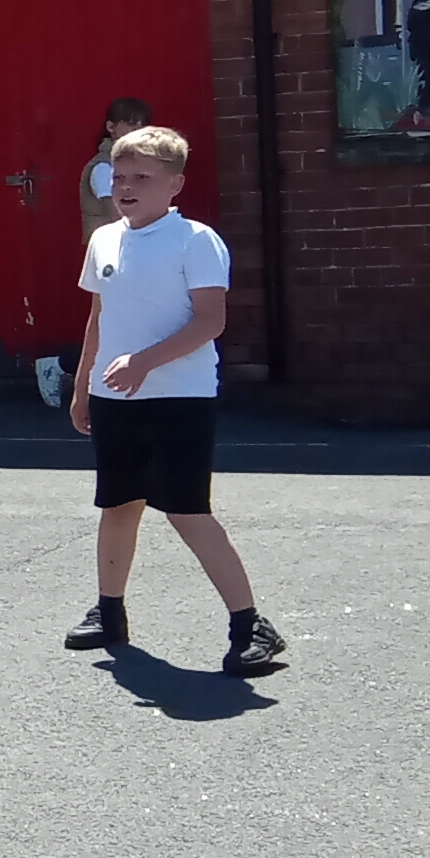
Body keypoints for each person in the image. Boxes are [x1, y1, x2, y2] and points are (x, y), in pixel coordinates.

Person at [66, 127, 287, 675]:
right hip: (115, 399)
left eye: (142, 177)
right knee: (118, 505)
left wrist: (144, 362)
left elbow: (210, 322)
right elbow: (99, 318)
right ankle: (109, 613)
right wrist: (83, 384)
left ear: (175, 184)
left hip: (178, 398)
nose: (126, 188)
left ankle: (250, 625)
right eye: (120, 177)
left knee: (188, 511)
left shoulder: (196, 240)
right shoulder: (104, 241)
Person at [79, 96, 155, 242]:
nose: (138, 129)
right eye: (131, 123)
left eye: (143, 124)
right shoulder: (104, 166)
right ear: (110, 127)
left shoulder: (143, 164)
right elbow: (119, 217)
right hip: (111, 248)